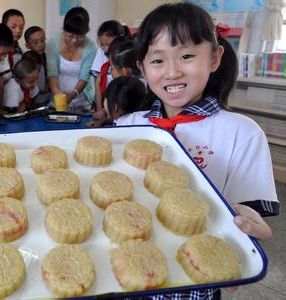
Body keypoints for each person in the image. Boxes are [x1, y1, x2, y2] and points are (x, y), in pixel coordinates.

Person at [117, 4, 278, 296]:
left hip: (194, 280)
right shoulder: (127, 127)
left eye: (187, 56)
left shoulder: (242, 133)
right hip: (125, 271)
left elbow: (247, 219)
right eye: (157, 61)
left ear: (215, 58)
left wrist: (250, 235)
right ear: (141, 67)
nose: (172, 72)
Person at [46, 6, 97, 112]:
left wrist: (73, 94)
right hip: (57, 97)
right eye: (70, 36)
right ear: (65, 30)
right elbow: (52, 72)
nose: (74, 40)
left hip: (81, 99)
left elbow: (84, 76)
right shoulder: (53, 43)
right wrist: (56, 92)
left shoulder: (91, 47)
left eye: (80, 36)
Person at [90, 20, 127, 119]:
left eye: (108, 44)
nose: (105, 49)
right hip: (105, 102)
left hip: (121, 103)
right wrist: (99, 109)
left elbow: (123, 87)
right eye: (102, 45)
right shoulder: (100, 53)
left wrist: (107, 110)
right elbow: (98, 83)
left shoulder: (125, 54)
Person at [24, 26, 48, 101]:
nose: (40, 44)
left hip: (48, 98)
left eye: (42, 40)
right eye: (35, 42)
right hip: (33, 101)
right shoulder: (26, 61)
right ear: (27, 45)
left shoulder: (48, 58)